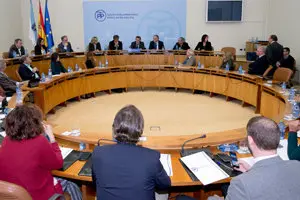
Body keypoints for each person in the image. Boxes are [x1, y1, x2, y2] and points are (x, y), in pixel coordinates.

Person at [179, 116, 300, 200]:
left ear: (251, 141)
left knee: (182, 198)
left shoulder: (240, 183)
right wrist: (250, 172)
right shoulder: (296, 165)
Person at [0, 104, 82, 200]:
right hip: (35, 195)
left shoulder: (6, 140)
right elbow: (58, 164)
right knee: (72, 185)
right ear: (36, 123)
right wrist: (52, 139)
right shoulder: (39, 141)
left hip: (13, 194)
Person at [92, 105, 171, 200]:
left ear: (114, 129)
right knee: (163, 193)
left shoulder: (98, 153)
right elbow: (165, 184)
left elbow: (95, 181)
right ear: (140, 132)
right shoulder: (151, 157)